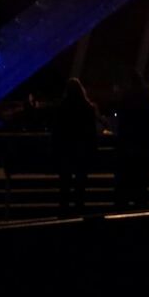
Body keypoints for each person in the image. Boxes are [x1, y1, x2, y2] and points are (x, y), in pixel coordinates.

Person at [52, 77, 98, 217]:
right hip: (82, 151)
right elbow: (91, 132)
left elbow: (57, 131)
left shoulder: (62, 108)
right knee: (80, 183)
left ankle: (64, 210)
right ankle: (79, 208)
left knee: (65, 183)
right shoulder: (88, 108)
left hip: (66, 150)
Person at [113, 70, 149, 209]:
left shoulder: (125, 100)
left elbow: (121, 123)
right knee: (141, 184)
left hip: (127, 146)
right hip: (143, 146)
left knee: (124, 183)